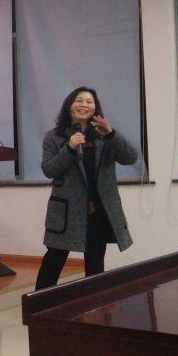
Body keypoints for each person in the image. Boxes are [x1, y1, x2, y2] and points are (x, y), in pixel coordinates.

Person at [35, 87, 137, 290]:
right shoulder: (54, 137)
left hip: (98, 210)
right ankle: (39, 302)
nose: (84, 105)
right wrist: (69, 148)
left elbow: (130, 158)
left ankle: (93, 302)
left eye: (89, 101)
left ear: (95, 108)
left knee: (95, 261)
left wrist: (111, 134)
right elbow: (49, 170)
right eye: (79, 100)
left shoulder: (103, 135)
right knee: (54, 258)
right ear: (69, 106)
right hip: (68, 211)